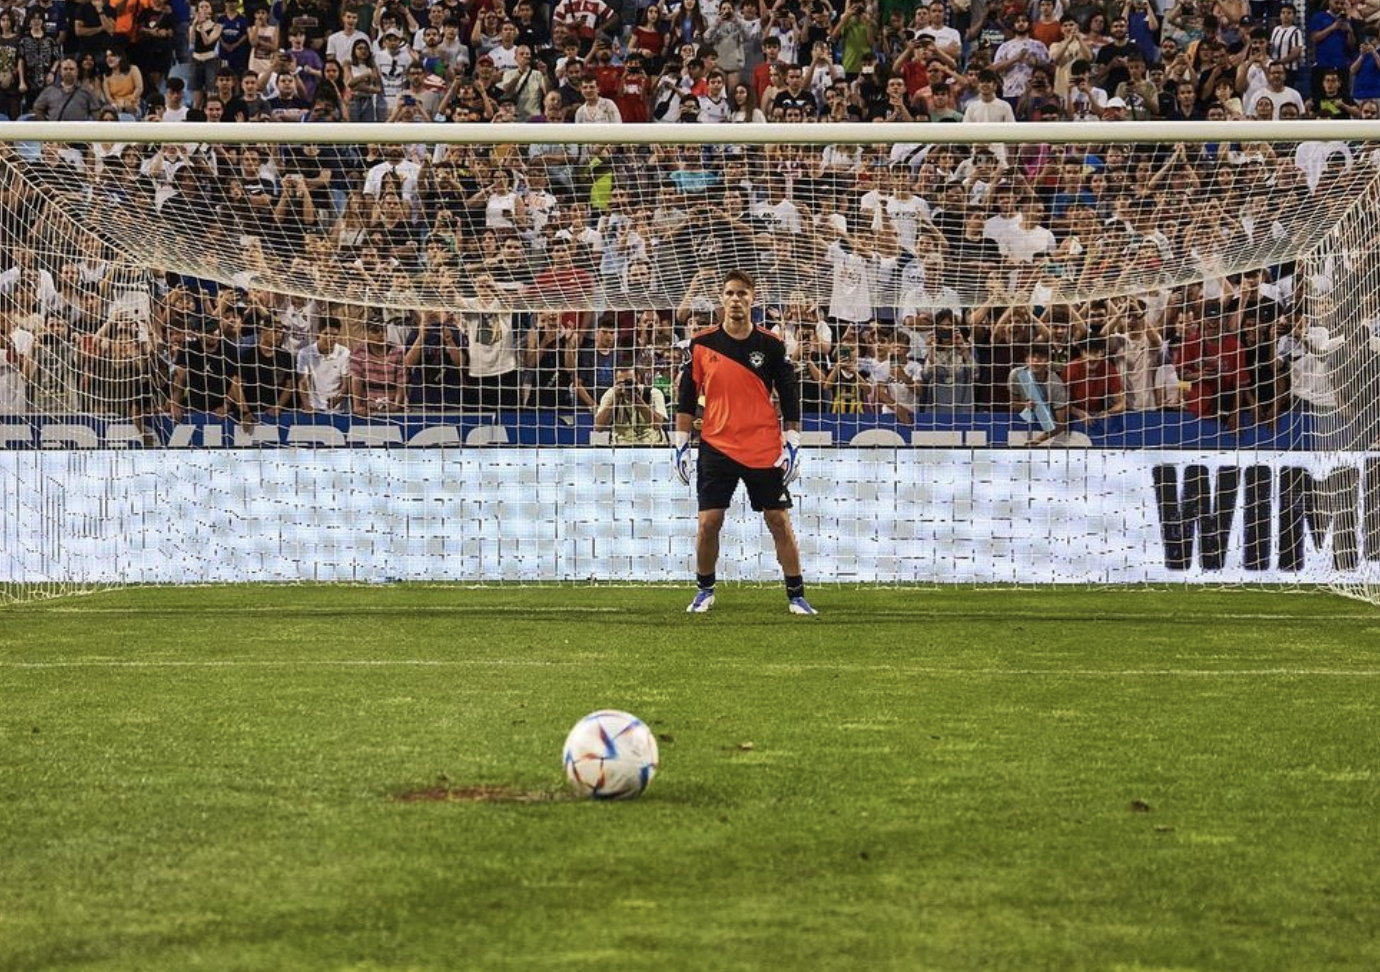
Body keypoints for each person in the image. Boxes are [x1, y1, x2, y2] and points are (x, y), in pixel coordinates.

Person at [673, 269, 815, 616]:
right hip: (716, 446)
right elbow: (686, 397)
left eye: (742, 294)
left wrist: (792, 440)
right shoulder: (702, 344)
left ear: (753, 298)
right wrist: (679, 443)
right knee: (708, 522)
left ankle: (796, 595)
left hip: (762, 448)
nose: (736, 299)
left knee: (778, 521)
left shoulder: (771, 344)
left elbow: (789, 394)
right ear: (721, 299)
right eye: (729, 293)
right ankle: (705, 590)